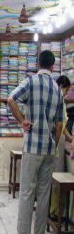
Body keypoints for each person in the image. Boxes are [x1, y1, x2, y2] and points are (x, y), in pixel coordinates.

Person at [7, 50, 64, 234]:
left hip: (32, 147)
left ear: (38, 63)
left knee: (27, 193)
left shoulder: (31, 82)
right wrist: (54, 144)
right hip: (49, 149)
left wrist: (22, 121)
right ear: (53, 66)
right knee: (43, 194)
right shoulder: (58, 90)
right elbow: (59, 124)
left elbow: (11, 99)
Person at [50, 75, 74, 218]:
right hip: (57, 144)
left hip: (53, 141)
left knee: (51, 178)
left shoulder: (53, 99)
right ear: (61, 87)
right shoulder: (59, 101)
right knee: (56, 177)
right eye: (66, 90)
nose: (66, 93)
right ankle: (54, 211)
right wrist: (69, 138)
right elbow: (62, 124)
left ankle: (51, 210)